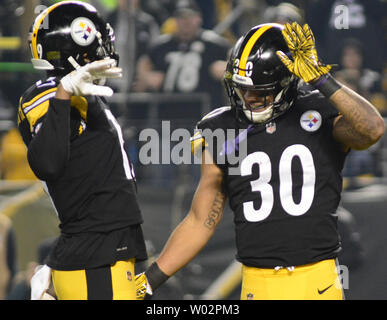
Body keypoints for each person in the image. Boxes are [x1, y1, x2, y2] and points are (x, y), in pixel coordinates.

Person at [135, 22, 385, 300]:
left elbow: (372, 129)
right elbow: (200, 220)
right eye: (242, 89)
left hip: (318, 281)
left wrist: (321, 80)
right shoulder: (221, 128)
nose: (249, 98)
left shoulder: (318, 112)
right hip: (258, 283)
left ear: (287, 84)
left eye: (260, 91)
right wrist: (147, 281)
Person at [17, 1, 147, 300]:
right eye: (100, 47)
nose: (106, 55)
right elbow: (46, 163)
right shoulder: (48, 94)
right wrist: (63, 94)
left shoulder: (88, 98)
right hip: (94, 257)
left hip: (102, 251)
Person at [135, 0, 230, 124]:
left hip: (206, 116)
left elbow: (234, 58)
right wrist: (147, 77)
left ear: (199, 18)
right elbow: (144, 62)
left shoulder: (215, 44)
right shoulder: (162, 46)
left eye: (190, 17)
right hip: (167, 118)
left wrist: (227, 70)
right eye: (181, 17)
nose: (185, 22)